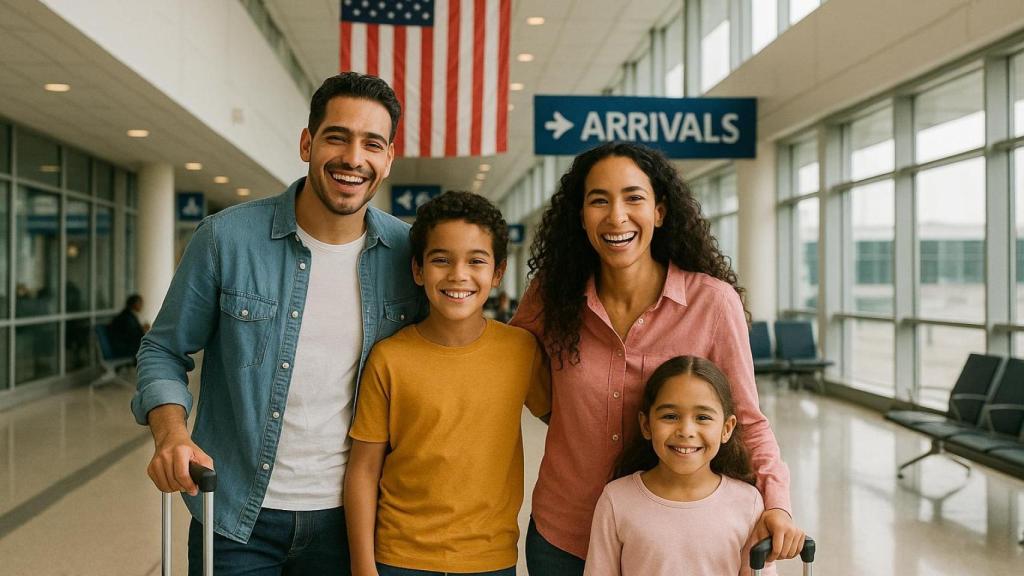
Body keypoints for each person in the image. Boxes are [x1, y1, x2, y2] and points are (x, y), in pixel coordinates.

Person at [130, 72, 425, 576]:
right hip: (236, 516)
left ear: (388, 158)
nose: (354, 158)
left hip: (353, 519)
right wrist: (171, 434)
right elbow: (163, 350)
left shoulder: (407, 254)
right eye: (337, 137)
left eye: (371, 144)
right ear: (307, 142)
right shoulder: (227, 239)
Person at [511, 142, 804, 575]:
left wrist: (777, 504)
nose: (616, 216)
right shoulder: (551, 297)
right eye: (599, 200)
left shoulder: (712, 304)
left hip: (666, 543)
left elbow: (746, 417)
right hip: (564, 534)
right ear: (580, 215)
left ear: (660, 212)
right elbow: (505, 365)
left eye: (634, 198)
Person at [345, 191, 550, 576]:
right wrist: (362, 565)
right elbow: (363, 471)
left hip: (489, 558)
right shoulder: (390, 358)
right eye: (441, 260)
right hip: (398, 556)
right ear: (418, 270)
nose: (458, 275)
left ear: (498, 272)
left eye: (476, 261)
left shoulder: (521, 350)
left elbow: (568, 421)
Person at [583, 356, 775, 576]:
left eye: (702, 417)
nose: (686, 430)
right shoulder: (616, 500)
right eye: (670, 416)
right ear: (646, 425)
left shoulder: (747, 503)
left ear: (727, 428)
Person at [108, 293, 147, 359]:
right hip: (122, 348)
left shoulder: (128, 314)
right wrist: (143, 330)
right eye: (140, 303)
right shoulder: (127, 317)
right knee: (149, 348)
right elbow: (132, 335)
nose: (142, 305)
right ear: (134, 304)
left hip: (122, 346)